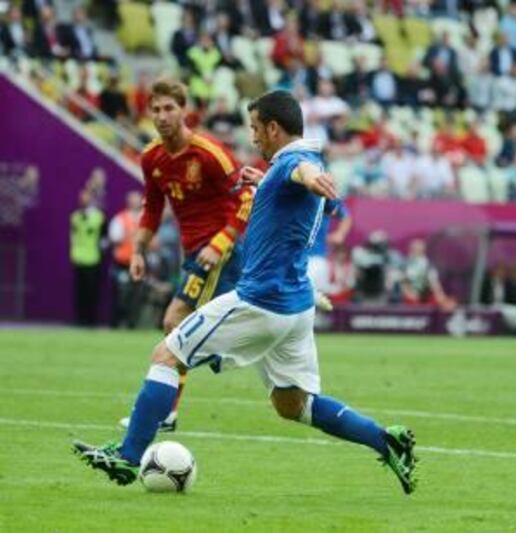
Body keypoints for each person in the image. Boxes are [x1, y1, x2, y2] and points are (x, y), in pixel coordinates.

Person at [73, 90, 418, 495]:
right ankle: (385, 440)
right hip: (296, 308)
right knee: (293, 404)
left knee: (168, 353)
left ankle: (128, 457)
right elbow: (312, 195)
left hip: (261, 301)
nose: (253, 137)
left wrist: (300, 176)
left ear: (273, 127)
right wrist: (271, 180)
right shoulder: (299, 162)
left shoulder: (296, 161)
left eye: (256, 128)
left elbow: (301, 172)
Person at [118, 78, 252, 432]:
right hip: (193, 253)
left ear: (184, 110)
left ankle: (164, 411)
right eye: (156, 109)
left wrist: (220, 244)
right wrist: (138, 251)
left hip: (219, 251)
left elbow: (246, 199)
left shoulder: (210, 153)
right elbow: (151, 208)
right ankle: (222, 356)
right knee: (192, 329)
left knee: (174, 322)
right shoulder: (152, 158)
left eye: (169, 108)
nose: (162, 116)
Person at [109, 191, 144, 328]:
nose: (135, 202)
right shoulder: (120, 219)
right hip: (122, 263)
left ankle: (132, 324)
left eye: (138, 199)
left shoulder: (144, 219)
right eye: (133, 200)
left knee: (135, 296)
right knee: (120, 295)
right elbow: (115, 238)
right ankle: (116, 324)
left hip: (138, 264)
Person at [70, 188, 105, 327]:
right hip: (79, 257)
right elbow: (73, 237)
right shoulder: (75, 217)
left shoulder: (99, 217)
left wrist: (101, 250)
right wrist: (72, 253)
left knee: (92, 291)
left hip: (93, 257)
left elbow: (104, 237)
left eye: (86, 197)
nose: (83, 199)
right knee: (80, 291)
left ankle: (91, 321)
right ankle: (80, 320)